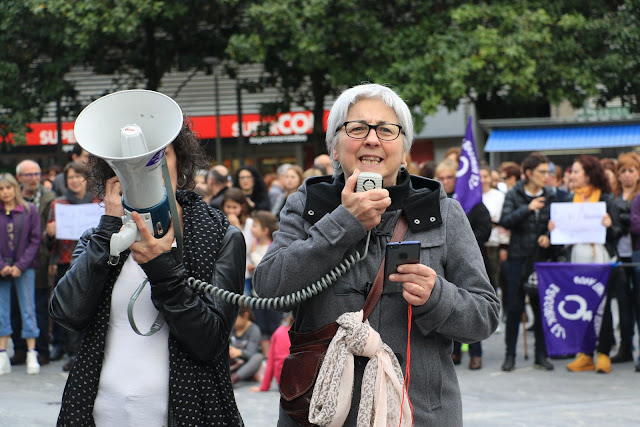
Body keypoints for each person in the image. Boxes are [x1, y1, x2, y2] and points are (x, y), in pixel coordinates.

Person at [254, 83, 499, 425]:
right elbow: (268, 288)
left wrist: (437, 296)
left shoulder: (443, 212)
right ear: (335, 149)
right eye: (357, 128)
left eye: (386, 129)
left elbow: (484, 316)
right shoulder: (307, 205)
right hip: (322, 412)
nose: (372, 139)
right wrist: (344, 224)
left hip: (416, 411)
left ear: (404, 148)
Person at [49, 121, 245, 425]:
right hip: (102, 412)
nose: (143, 171)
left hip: (186, 412)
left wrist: (161, 267)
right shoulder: (99, 238)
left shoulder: (221, 237)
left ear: (180, 164)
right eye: (129, 164)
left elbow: (209, 341)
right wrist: (107, 233)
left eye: (157, 157)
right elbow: (66, 313)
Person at [549, 154, 621, 374]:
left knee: (602, 305)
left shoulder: (606, 199)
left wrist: (609, 225)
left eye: (577, 171)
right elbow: (562, 236)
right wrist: (553, 230)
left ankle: (604, 352)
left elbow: (618, 232)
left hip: (600, 257)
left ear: (589, 174)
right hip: (577, 258)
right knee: (581, 304)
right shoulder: (569, 201)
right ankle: (585, 353)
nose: (572, 175)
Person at [499, 152, 557, 372]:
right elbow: (505, 221)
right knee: (514, 308)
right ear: (529, 173)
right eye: (542, 172)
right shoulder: (514, 194)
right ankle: (510, 355)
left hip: (541, 260)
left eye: (548, 172)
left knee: (542, 307)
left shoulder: (551, 195)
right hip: (517, 259)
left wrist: (548, 237)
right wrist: (528, 208)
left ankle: (541, 355)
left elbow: (555, 224)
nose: (546, 176)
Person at [435, 160, 492, 370]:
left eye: (449, 177)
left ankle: (476, 354)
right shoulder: (435, 201)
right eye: (441, 178)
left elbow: (485, 229)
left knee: (471, 305)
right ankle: (455, 351)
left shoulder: (473, 201)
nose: (445, 181)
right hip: (444, 265)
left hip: (469, 261)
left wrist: (460, 242)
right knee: (451, 305)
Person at [47, 162, 99, 370]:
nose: (75, 181)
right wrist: (50, 234)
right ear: (65, 181)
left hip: (93, 263)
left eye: (79, 176)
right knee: (70, 309)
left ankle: (89, 352)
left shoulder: (98, 202)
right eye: (71, 178)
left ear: (86, 179)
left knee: (92, 309)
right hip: (65, 262)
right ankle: (73, 352)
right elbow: (49, 244)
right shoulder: (58, 204)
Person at [10, 160, 55, 367]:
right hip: (13, 261)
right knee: (15, 308)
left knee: (37, 307)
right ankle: (19, 350)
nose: (34, 178)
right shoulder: (10, 198)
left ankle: (41, 351)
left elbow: (47, 233)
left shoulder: (50, 198)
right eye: (29, 175)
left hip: (40, 259)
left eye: (37, 173)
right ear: (20, 178)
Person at [0, 173, 42, 375]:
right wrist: (1, 265)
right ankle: (2, 355)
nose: (5, 192)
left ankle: (31, 353)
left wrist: (20, 265)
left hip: (25, 269)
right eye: (1, 189)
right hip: (1, 270)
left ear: (15, 188)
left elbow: (35, 240)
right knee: (2, 311)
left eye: (8, 188)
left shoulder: (29, 210)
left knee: (28, 310)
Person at [247, 210, 281, 356]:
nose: (251, 229)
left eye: (255, 226)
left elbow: (264, 265)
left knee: (273, 326)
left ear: (265, 230)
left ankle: (276, 354)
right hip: (256, 295)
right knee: (261, 327)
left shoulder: (273, 246)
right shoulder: (255, 244)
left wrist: (254, 256)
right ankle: (267, 357)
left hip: (271, 297)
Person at [250, 314, 293, 392]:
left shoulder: (278, 332)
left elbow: (271, 362)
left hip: (283, 380)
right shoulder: (304, 333)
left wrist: (264, 387)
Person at [229, 307, 264, 385]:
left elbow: (251, 352)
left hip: (245, 365)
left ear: (245, 315)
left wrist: (240, 352)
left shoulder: (254, 330)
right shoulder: (231, 328)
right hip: (232, 363)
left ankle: (233, 379)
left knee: (258, 357)